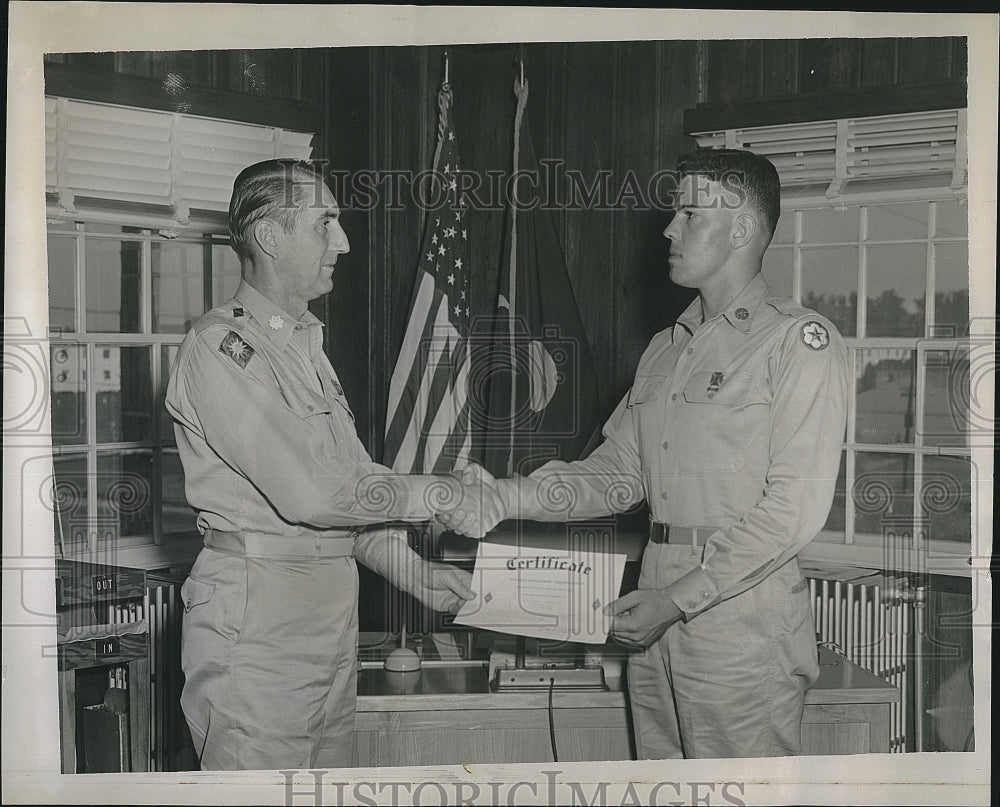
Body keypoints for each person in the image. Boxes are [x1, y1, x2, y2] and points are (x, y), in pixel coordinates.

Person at [441, 149, 849, 759]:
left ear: (741, 229)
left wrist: (679, 598)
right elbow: (615, 475)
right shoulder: (666, 347)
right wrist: (504, 497)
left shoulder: (797, 343)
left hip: (738, 619)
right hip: (652, 602)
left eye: (689, 213)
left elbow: (793, 509)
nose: (668, 228)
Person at [165, 159, 502, 771]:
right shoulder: (222, 348)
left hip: (326, 625)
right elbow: (314, 494)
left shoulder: (303, 348)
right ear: (270, 237)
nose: (343, 243)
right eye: (325, 224)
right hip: (260, 628)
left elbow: (347, 495)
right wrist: (444, 494)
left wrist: (413, 573)